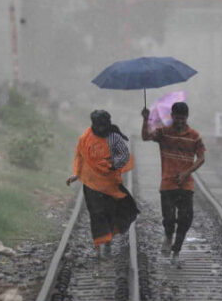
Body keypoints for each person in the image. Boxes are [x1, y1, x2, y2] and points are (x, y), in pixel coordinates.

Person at [67, 110, 138, 259]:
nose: (101, 129)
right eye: (98, 126)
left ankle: (108, 243)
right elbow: (80, 157)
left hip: (110, 183)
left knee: (111, 212)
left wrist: (113, 163)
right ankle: (99, 246)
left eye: (104, 126)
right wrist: (76, 174)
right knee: (96, 213)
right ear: (93, 124)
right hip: (91, 183)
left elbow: (124, 155)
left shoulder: (114, 138)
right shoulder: (85, 138)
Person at [141, 102, 205, 266]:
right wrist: (146, 119)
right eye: (177, 118)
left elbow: (201, 158)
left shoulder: (194, 136)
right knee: (169, 219)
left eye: (182, 118)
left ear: (187, 118)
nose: (180, 122)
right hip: (168, 184)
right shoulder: (164, 132)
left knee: (186, 219)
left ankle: (176, 250)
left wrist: (187, 172)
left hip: (186, 185)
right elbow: (145, 137)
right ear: (172, 116)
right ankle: (168, 235)